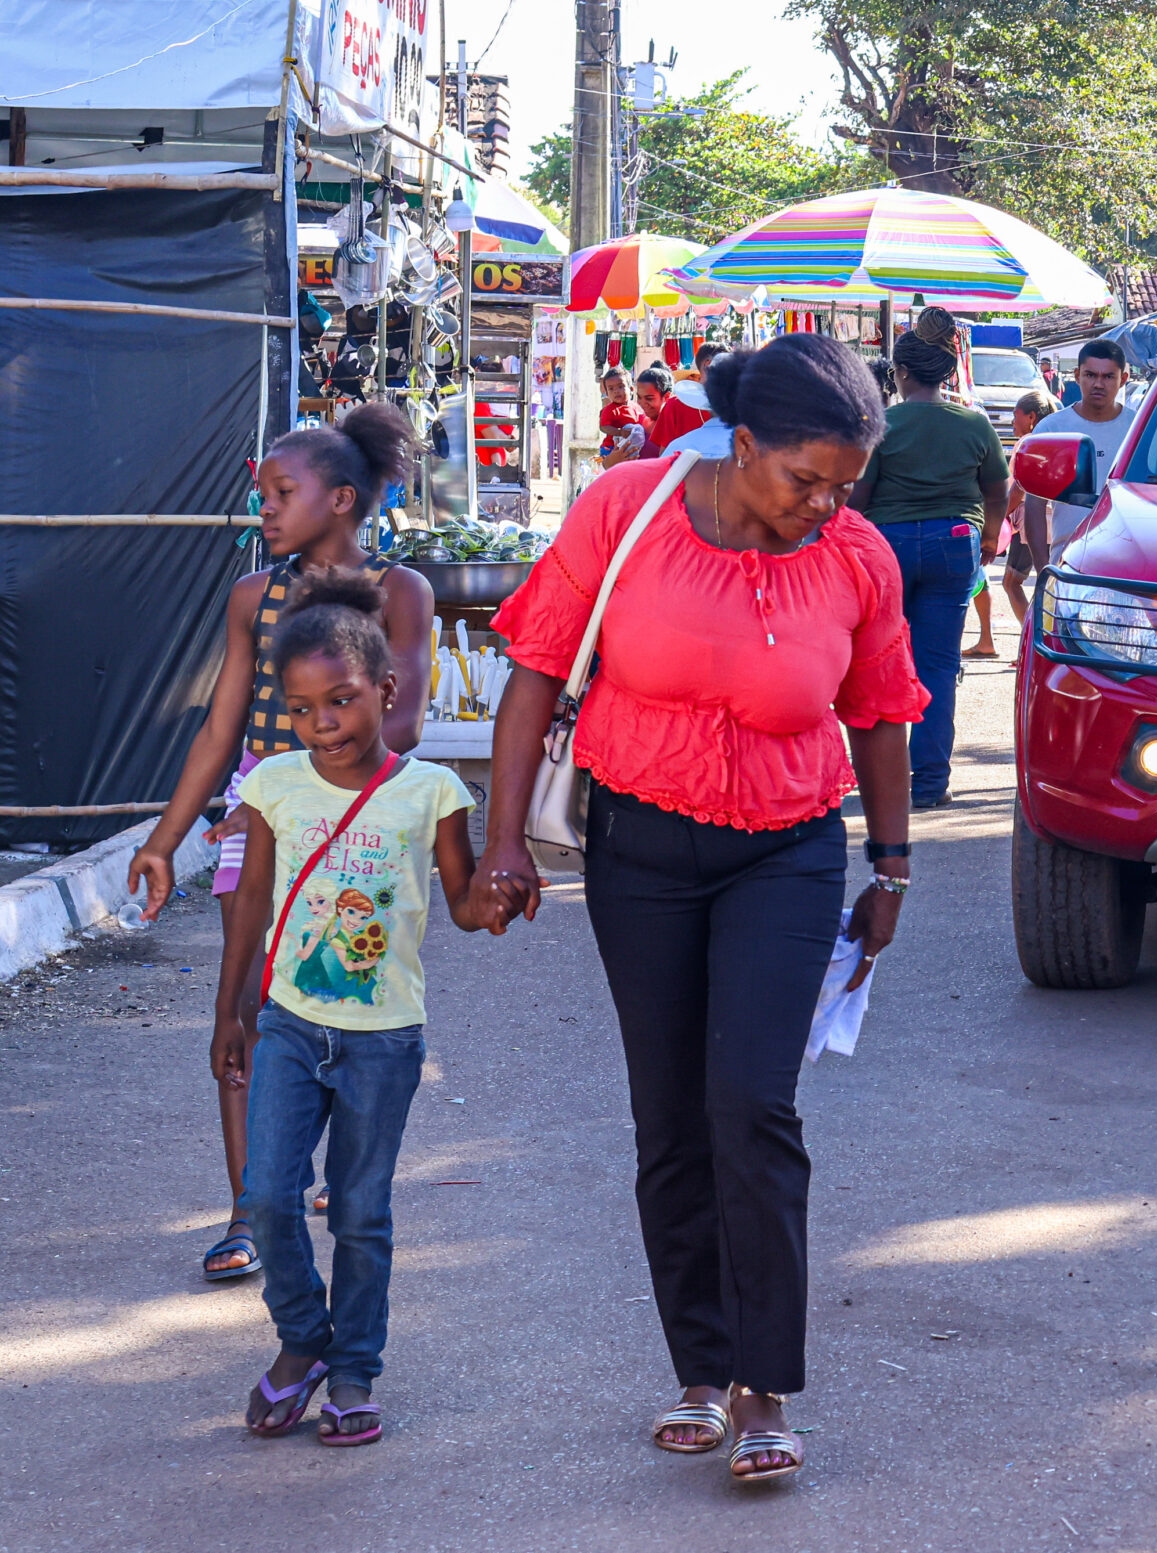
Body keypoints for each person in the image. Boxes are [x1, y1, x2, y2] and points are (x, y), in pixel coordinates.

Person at [470, 334, 925, 1485]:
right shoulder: (629, 507)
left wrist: (892, 863)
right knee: (670, 1114)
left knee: (751, 1104)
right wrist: (505, 837)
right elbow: (534, 668)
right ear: (742, 443)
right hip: (642, 851)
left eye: (843, 485)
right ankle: (699, 1367)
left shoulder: (857, 557)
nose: (823, 504)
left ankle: (766, 1382)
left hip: (787, 849)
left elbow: (879, 711)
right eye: (803, 479)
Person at [127, 403, 435, 1283]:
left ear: (341, 499)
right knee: (248, 1006)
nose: (263, 508)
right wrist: (165, 839)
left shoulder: (398, 592)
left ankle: (322, 1169)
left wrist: (312, 776)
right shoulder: (252, 598)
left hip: (358, 826)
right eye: (262, 493)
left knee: (343, 997)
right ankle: (252, 1203)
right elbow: (220, 729)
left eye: (281, 492)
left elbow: (403, 718)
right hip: (254, 817)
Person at [222, 569, 509, 1444]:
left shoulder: (433, 794)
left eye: (341, 702)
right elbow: (253, 901)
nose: (324, 725)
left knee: (358, 1210)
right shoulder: (273, 784)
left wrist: (497, 897)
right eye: (304, 710)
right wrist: (231, 1012)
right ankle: (304, 1339)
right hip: (287, 1024)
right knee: (268, 1194)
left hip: (384, 1039)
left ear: (385, 691)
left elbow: (461, 906)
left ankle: (353, 1370)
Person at [849, 307, 1008, 809]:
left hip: (889, 547)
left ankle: (881, 779)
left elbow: (860, 497)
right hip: (954, 541)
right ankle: (931, 783)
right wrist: (987, 540)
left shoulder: (882, 424)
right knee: (937, 666)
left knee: (881, 663)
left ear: (901, 374)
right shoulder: (974, 423)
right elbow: (998, 491)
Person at [1020, 340, 1137, 571]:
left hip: (1126, 564)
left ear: (1123, 379)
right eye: (1091, 375)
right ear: (1077, 375)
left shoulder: (1139, 428)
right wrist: (1044, 570)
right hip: (1066, 563)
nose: (1098, 384)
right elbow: (1034, 504)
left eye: (1108, 377)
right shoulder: (1052, 429)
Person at [998, 388, 1060, 634]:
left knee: (1012, 582)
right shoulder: (1056, 438)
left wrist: (999, 517)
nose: (1013, 421)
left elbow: (1019, 490)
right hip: (1052, 524)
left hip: (1031, 525)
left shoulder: (1029, 443)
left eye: (1016, 415)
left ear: (1032, 417)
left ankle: (1033, 641)